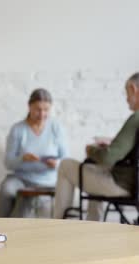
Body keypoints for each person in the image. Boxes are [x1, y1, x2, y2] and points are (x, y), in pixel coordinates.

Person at [54, 73, 139, 221]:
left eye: (127, 93)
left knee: (66, 165)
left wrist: (91, 150)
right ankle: (94, 224)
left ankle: (58, 223)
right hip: (132, 181)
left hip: (122, 184)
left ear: (133, 89)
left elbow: (108, 158)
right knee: (94, 170)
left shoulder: (136, 118)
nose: (126, 99)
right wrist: (112, 143)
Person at [0, 88, 68, 217]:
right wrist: (22, 158)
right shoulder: (18, 129)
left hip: (47, 181)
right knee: (6, 190)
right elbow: (8, 163)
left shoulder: (56, 128)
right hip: (21, 178)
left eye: (46, 110)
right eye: (38, 109)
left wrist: (56, 163)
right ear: (29, 106)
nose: (42, 114)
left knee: (26, 203)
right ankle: (0, 224)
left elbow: (65, 160)